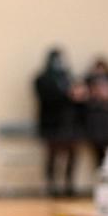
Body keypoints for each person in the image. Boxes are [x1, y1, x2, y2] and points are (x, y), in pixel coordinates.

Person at [34, 48, 85, 198]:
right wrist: (66, 95)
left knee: (72, 154)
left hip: (69, 124)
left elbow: (78, 97)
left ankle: (69, 184)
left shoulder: (69, 77)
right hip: (52, 124)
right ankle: (51, 185)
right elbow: (46, 97)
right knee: (52, 155)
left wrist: (77, 95)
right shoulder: (42, 79)